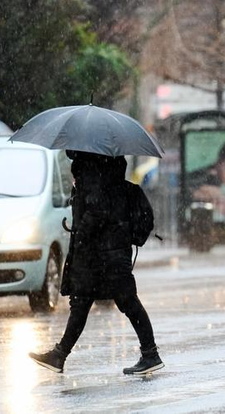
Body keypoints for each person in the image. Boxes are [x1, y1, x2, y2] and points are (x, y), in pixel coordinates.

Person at [28, 151, 163, 375]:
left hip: (99, 254)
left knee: (123, 302)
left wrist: (82, 233)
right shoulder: (107, 171)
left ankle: (151, 354)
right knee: (84, 303)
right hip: (109, 252)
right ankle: (59, 355)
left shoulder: (92, 171)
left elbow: (97, 210)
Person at [185, 141, 225, 221]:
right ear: (218, 163)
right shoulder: (205, 179)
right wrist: (197, 194)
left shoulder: (223, 184)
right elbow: (185, 192)